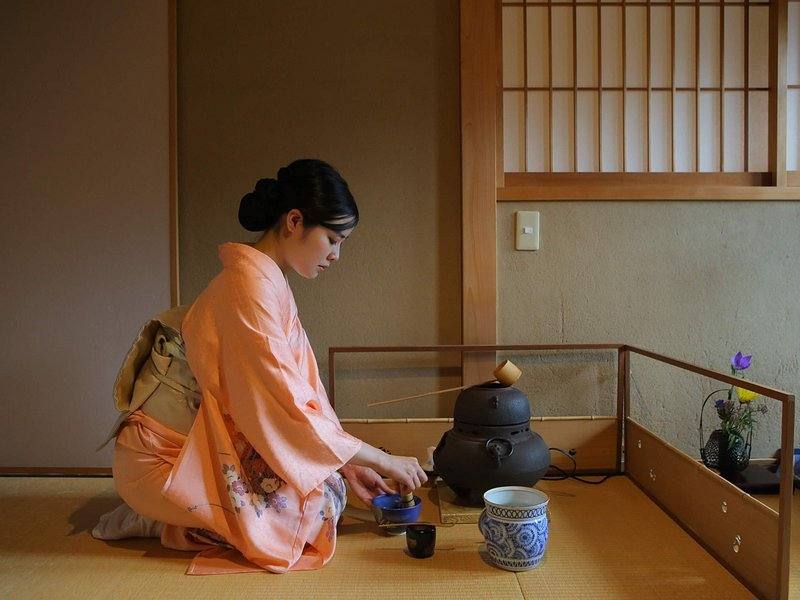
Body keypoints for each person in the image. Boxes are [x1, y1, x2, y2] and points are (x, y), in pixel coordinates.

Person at [93, 159, 427, 573]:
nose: (336, 255)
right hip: (163, 460)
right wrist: (383, 459)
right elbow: (282, 407)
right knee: (313, 514)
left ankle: (194, 516)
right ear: (294, 221)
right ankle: (160, 517)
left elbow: (305, 393)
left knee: (332, 489)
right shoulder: (247, 287)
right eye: (332, 239)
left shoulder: (268, 282)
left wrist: (350, 462)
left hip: (205, 444)